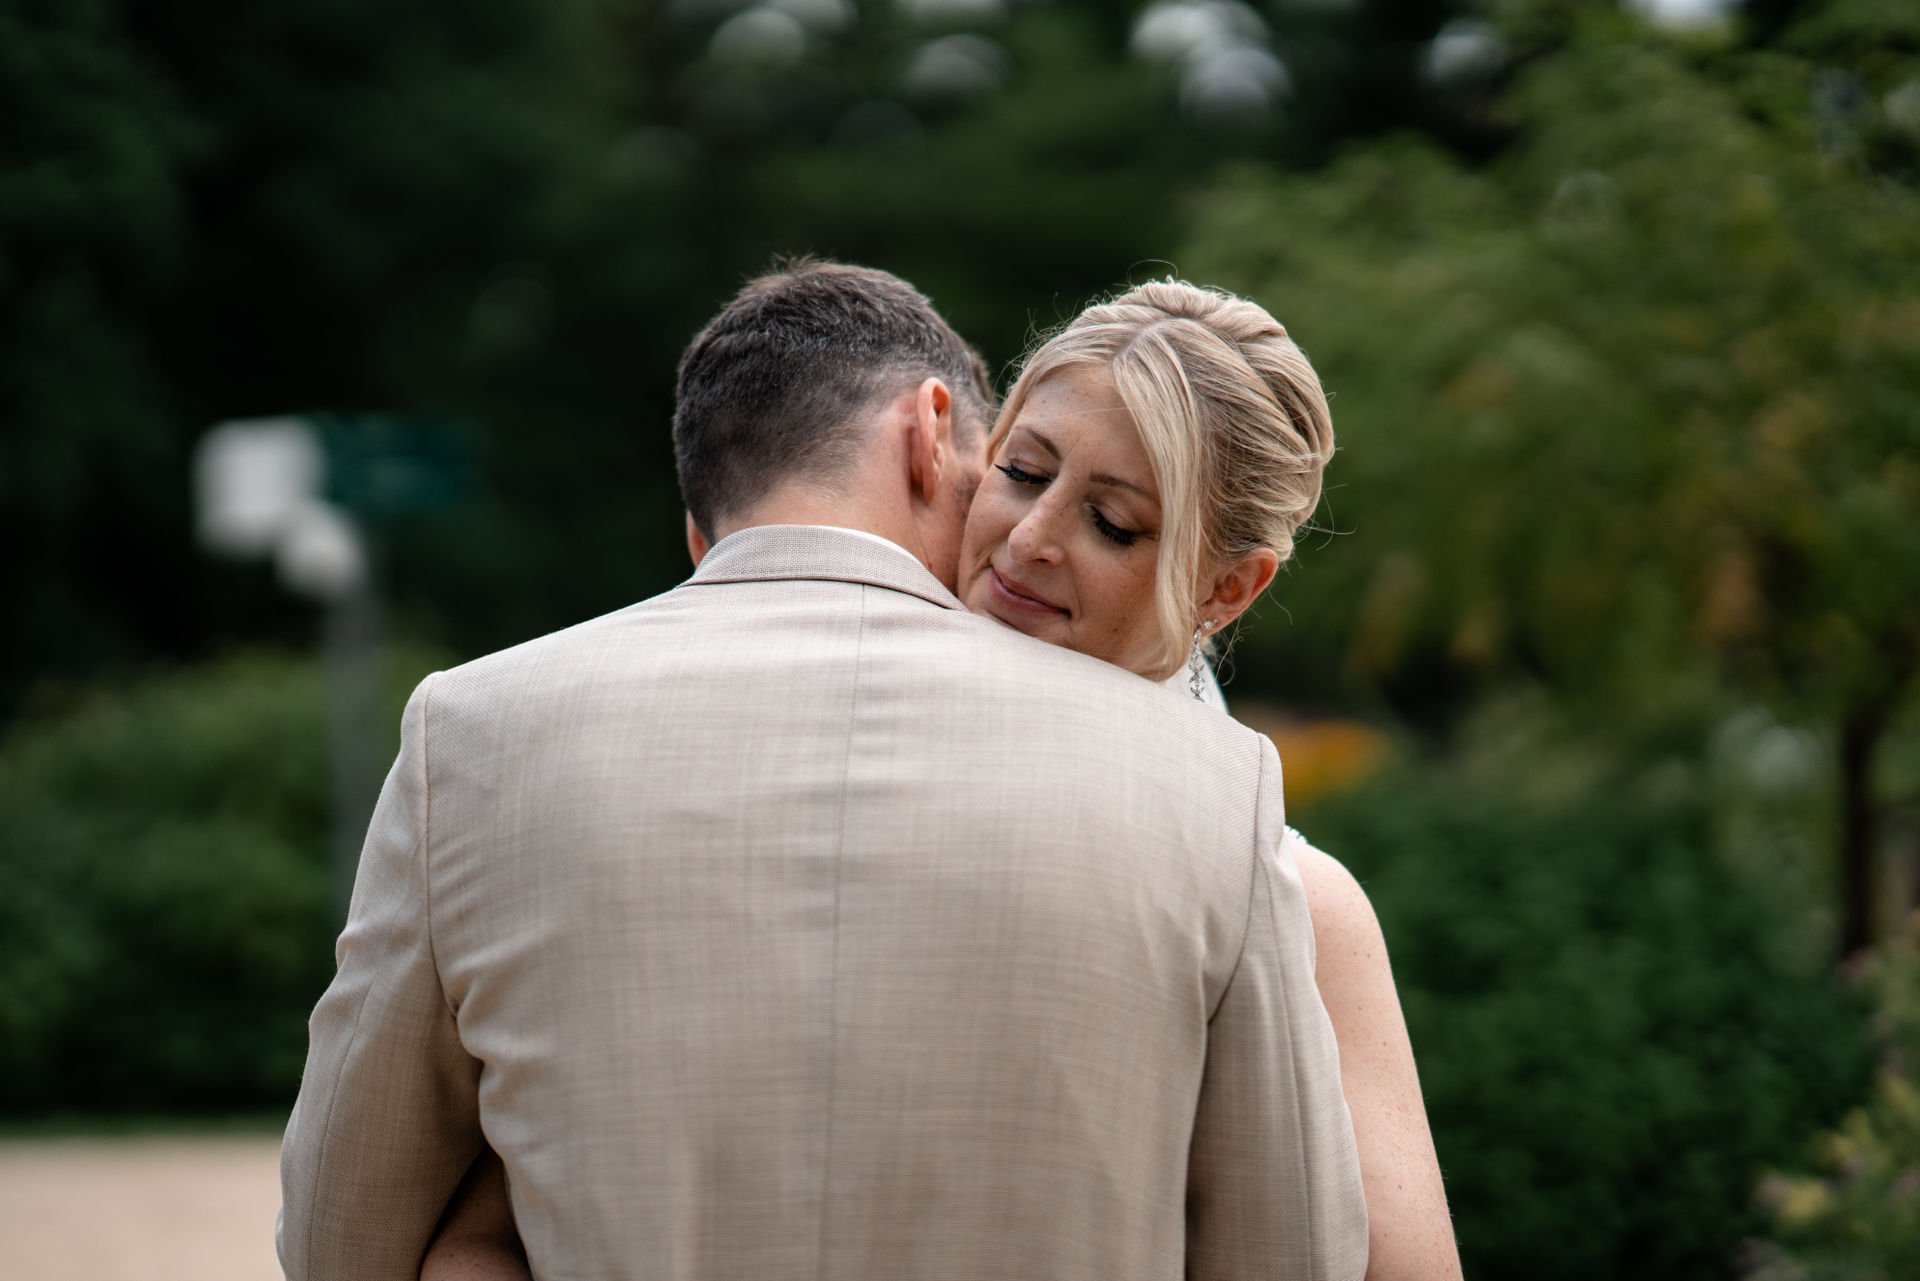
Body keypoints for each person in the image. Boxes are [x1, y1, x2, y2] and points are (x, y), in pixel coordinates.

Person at [279, 261, 1372, 1281]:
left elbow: (344, 1235)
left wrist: (495, 1213)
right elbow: (1289, 1254)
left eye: (1114, 523)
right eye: (1022, 471)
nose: (1030, 538)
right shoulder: (1218, 796)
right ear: (943, 441)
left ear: (1231, 588)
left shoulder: (476, 729)